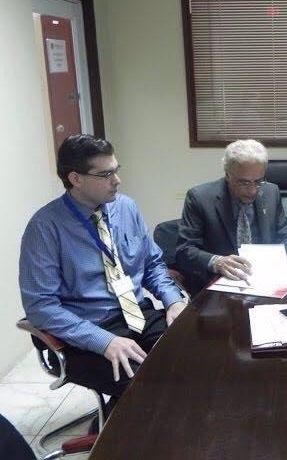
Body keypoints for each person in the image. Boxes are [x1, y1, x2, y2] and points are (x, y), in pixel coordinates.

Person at [19, 134, 186, 417]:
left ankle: (121, 422)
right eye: (105, 174)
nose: (117, 180)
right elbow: (40, 306)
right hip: (86, 330)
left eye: (116, 170)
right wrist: (103, 340)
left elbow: (152, 264)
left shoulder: (126, 208)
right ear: (76, 178)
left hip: (137, 314)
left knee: (191, 359)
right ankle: (117, 433)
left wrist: (173, 301)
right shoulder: (45, 228)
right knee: (147, 385)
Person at [176, 139, 287, 292]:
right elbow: (184, 251)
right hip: (218, 286)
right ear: (227, 175)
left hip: (266, 282)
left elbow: (285, 234)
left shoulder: (271, 192)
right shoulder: (200, 198)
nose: (252, 190)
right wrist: (216, 261)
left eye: (258, 181)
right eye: (244, 183)